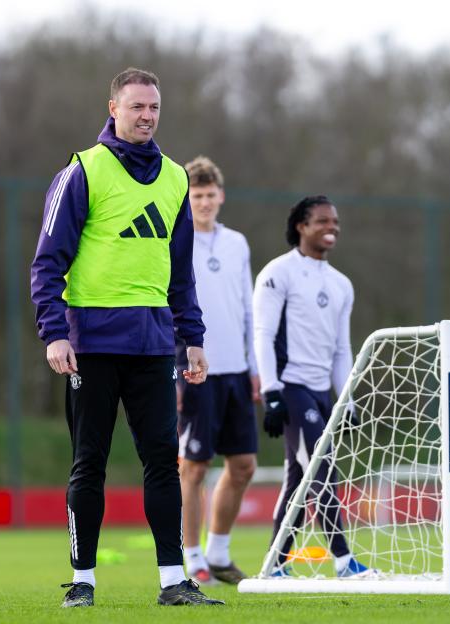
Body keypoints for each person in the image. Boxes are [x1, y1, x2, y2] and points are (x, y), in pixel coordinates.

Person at [30, 67, 223, 607]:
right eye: (136, 106)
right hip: (89, 345)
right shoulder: (83, 171)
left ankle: (173, 582)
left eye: (154, 107)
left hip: (154, 346)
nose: (146, 116)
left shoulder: (176, 178)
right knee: (88, 463)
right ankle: (83, 582)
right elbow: (47, 263)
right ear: (112, 108)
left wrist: (192, 336)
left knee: (164, 462)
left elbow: (180, 271)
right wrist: (54, 333)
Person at [252, 196, 373, 578]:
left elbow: (341, 350)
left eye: (334, 221)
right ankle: (344, 560)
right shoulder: (278, 273)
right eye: (322, 221)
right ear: (301, 226)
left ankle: (275, 565)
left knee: (299, 481)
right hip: (291, 388)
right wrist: (271, 391)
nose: (331, 227)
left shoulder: (342, 285)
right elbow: (263, 334)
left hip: (322, 395)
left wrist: (346, 401)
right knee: (321, 469)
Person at [177, 156, 259, 586]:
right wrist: (176, 366)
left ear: (221, 196)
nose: (205, 202)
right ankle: (192, 557)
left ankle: (219, 552)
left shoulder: (237, 243)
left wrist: (255, 366)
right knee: (194, 466)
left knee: (243, 464)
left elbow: (248, 307)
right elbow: (170, 305)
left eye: (210, 195)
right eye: (197, 195)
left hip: (236, 370)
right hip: (195, 368)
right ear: (186, 198)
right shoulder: (176, 240)